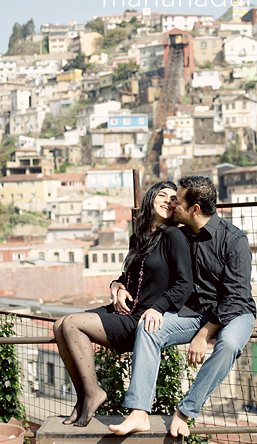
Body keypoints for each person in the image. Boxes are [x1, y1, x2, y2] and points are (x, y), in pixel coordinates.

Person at [109, 176, 257, 437]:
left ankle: (185, 412)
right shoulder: (180, 235)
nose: (172, 204)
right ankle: (139, 412)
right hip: (194, 312)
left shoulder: (234, 241)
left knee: (230, 345)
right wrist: (118, 285)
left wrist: (203, 335)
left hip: (234, 312)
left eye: (177, 200)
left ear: (195, 210)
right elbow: (146, 266)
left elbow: (235, 297)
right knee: (149, 328)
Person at [53, 181, 192, 427]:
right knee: (59, 324)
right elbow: (127, 277)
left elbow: (184, 285)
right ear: (150, 198)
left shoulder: (174, 236)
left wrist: (158, 308)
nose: (167, 201)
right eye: (162, 195)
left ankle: (94, 393)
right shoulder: (137, 238)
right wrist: (116, 286)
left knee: (72, 324)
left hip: (140, 319)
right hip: (124, 309)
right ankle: (83, 398)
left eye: (173, 199)